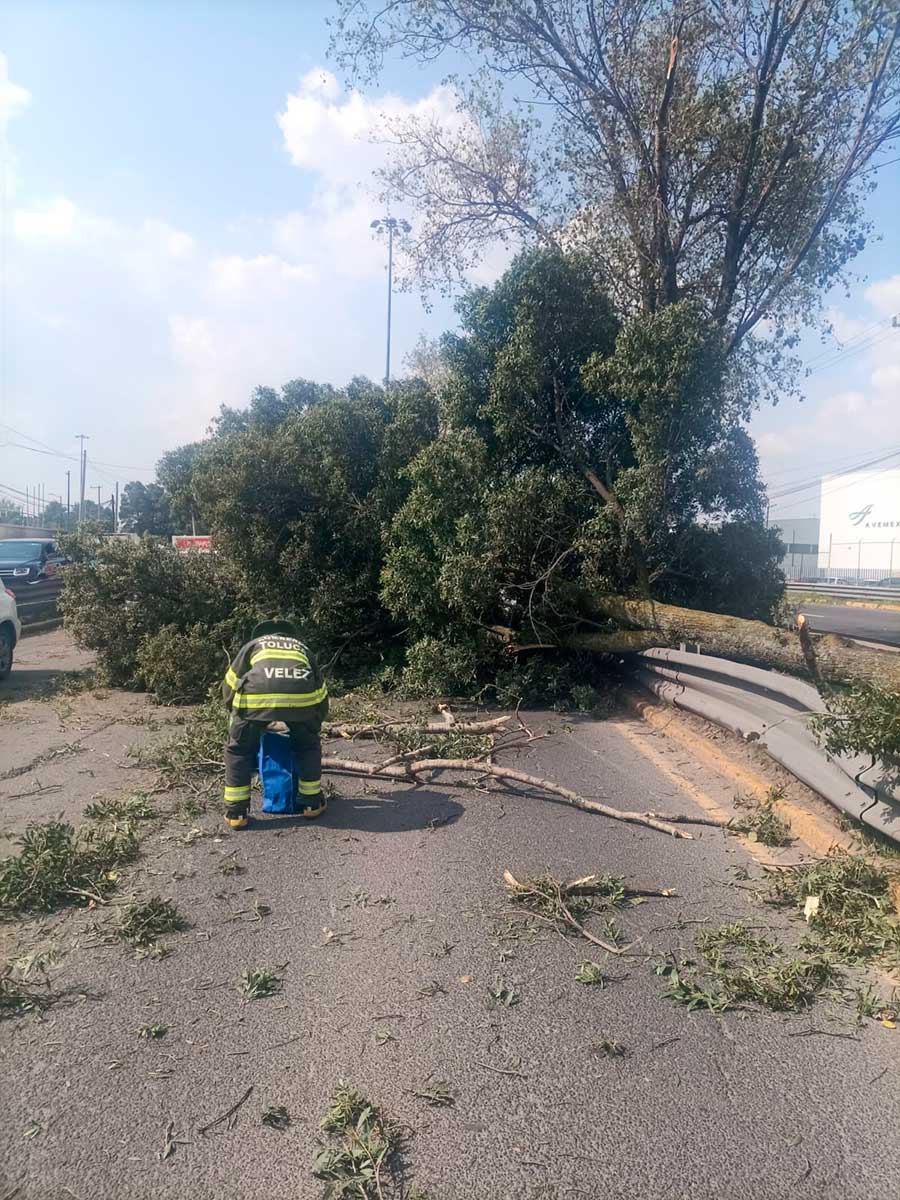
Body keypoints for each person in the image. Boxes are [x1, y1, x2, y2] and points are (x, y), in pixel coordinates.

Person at [222, 619, 329, 829]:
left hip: (255, 700)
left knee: (239, 750)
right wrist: (314, 724)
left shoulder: (252, 646)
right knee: (307, 746)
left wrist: (236, 715)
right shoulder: (302, 648)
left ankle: (236, 813)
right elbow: (320, 689)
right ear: (289, 635)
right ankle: (311, 804)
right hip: (301, 700)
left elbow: (231, 682)